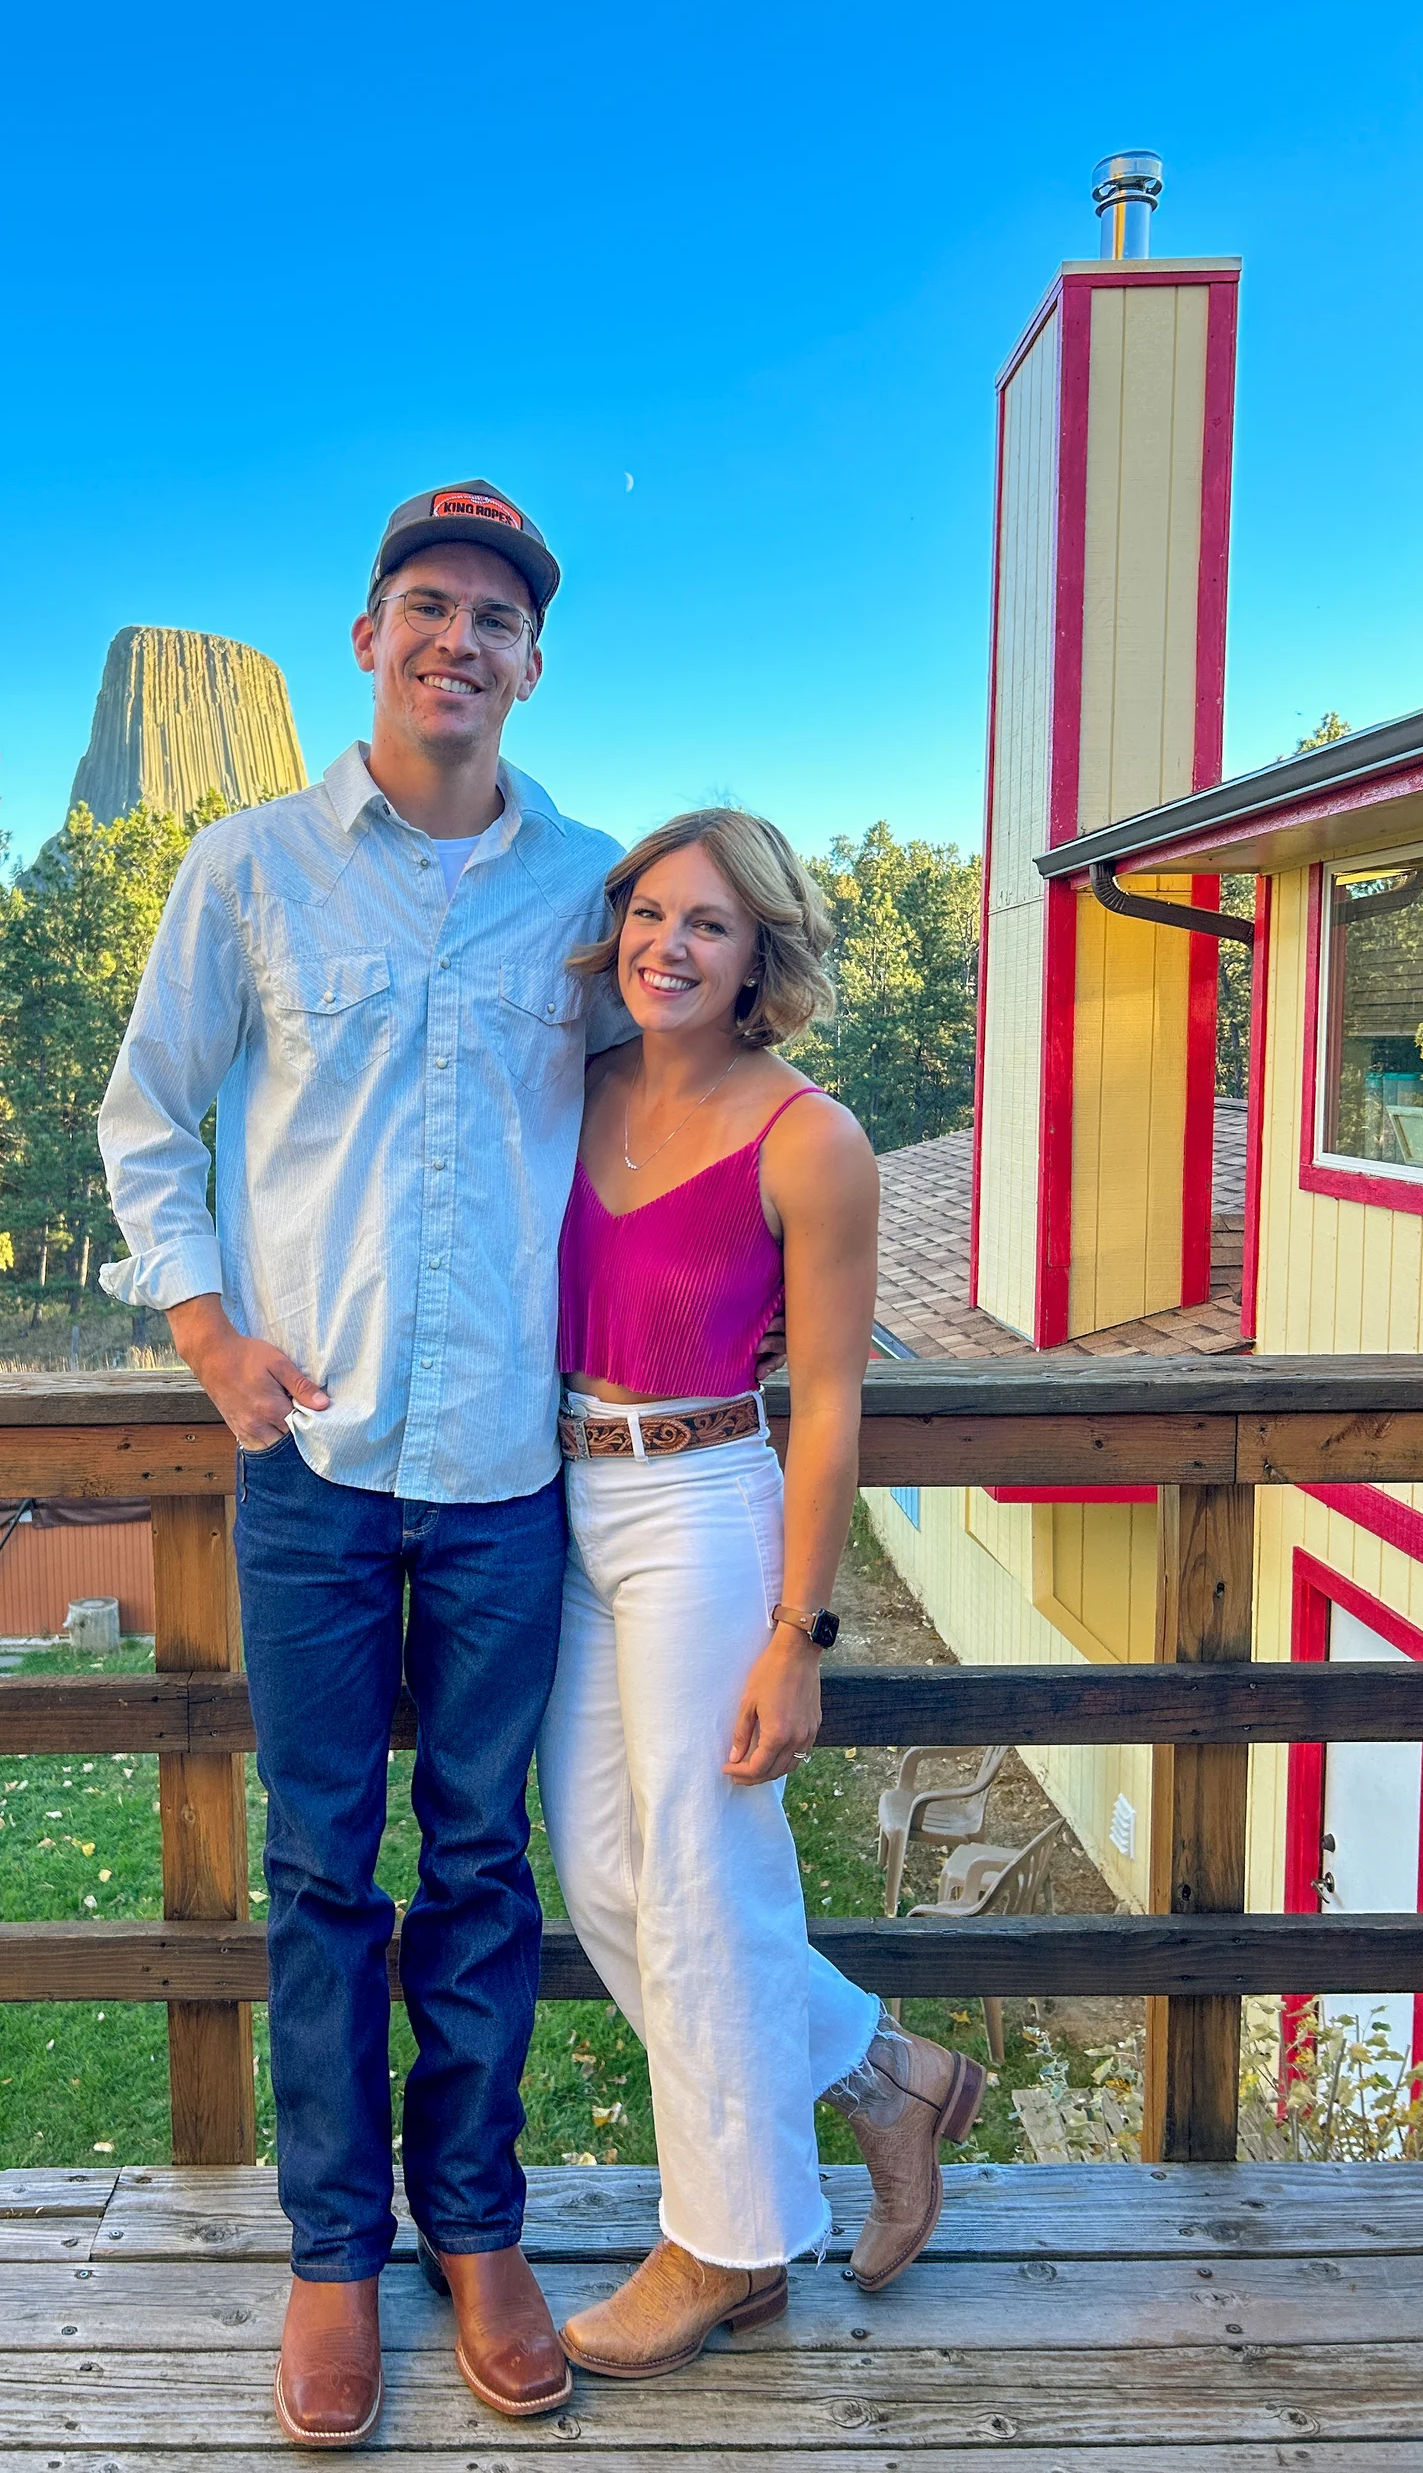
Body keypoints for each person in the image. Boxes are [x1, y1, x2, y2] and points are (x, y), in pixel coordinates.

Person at [98, 482, 628, 2448]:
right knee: (325, 1868)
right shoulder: (246, 871)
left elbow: (679, 1112)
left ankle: (475, 2232)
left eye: (493, 616)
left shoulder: (588, 889)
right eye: (426, 604)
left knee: (480, 1868)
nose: (457, 640)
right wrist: (206, 1330)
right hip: (310, 1461)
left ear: (528, 661)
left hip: (505, 1463)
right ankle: (335, 2255)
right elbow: (147, 1116)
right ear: (368, 635)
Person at [536, 806, 986, 2381]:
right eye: (649, 912)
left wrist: (798, 1635)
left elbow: (835, 1411)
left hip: (703, 1509)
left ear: (759, 956)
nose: (669, 943)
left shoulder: (810, 1138)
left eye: (708, 923)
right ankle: (885, 2075)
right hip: (563, 1498)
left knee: (703, 1880)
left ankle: (725, 2245)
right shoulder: (574, 1088)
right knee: (601, 1874)